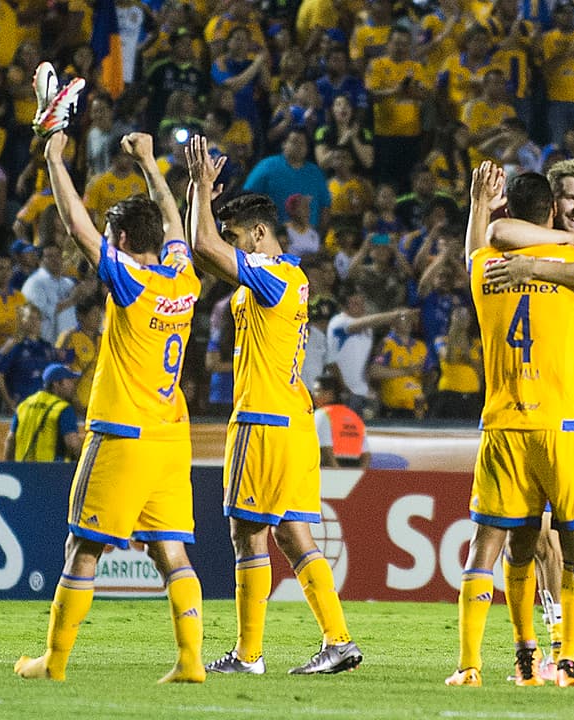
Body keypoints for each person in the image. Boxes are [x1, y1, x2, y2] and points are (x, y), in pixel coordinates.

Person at [14, 120, 205, 683]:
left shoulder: (132, 282)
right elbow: (173, 220)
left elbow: (76, 226)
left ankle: (54, 662)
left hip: (122, 433)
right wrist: (149, 162)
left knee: (83, 548)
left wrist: (54, 158)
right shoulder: (184, 278)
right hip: (170, 439)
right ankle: (190, 660)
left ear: (119, 240)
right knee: (171, 552)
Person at [445, 162, 574, 690]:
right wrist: (558, 257)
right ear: (552, 207)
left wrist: (480, 206)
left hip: (504, 424)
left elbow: (481, 244)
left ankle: (482, 663)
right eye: (571, 201)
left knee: (497, 544)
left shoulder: (487, 267)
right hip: (566, 424)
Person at [185, 136, 362, 676]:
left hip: (262, 420)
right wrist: (202, 200)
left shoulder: (273, 276)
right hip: (292, 421)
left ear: (260, 234)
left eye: (237, 237)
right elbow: (204, 252)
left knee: (248, 535)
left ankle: (248, 654)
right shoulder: (282, 279)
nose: (232, 246)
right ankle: (338, 641)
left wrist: (199, 188)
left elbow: (203, 245)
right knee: (292, 533)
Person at [5, 363, 82, 462]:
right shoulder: (63, 409)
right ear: (56, 383)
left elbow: (10, 440)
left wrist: (9, 466)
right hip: (52, 469)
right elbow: (73, 444)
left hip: (23, 468)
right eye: (69, 380)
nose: (73, 385)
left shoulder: (24, 405)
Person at [313, 373, 370, 468]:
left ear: (329, 393)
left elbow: (326, 449)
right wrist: (359, 473)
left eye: (317, 391)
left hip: (329, 468)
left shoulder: (321, 414)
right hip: (355, 468)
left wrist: (339, 472)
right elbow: (366, 454)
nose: (313, 395)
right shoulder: (354, 416)